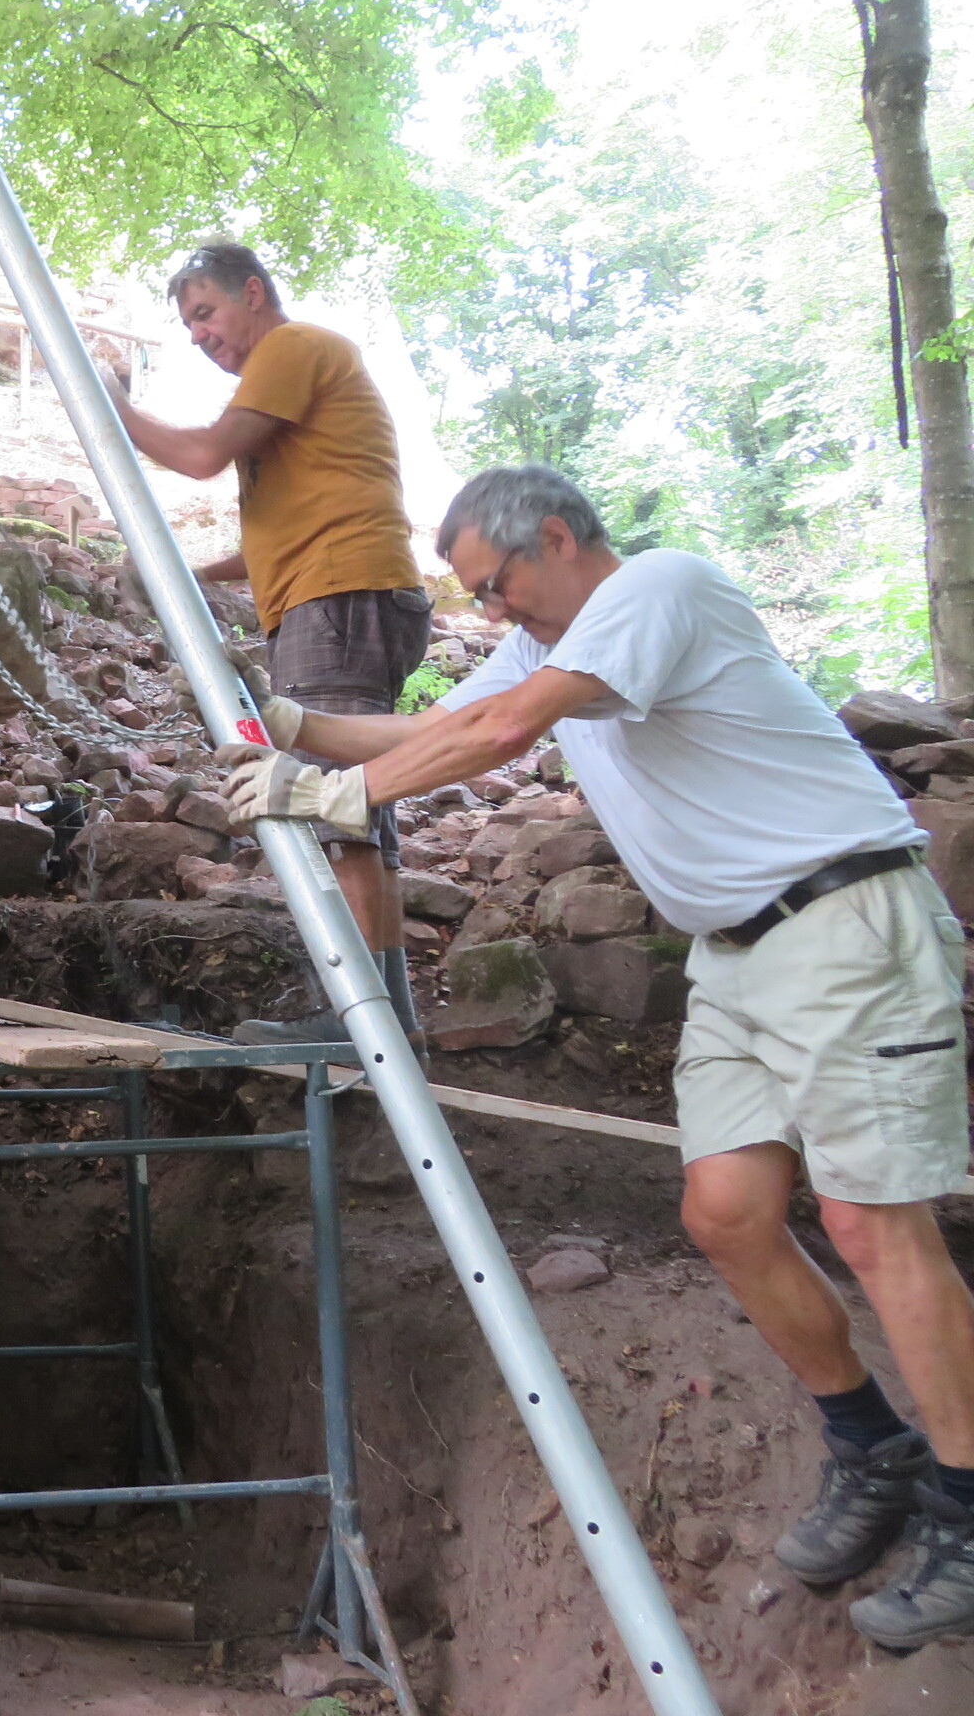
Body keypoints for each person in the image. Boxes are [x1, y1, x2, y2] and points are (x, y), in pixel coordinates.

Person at [222, 463, 974, 1648]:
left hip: (845, 924)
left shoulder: (659, 588)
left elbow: (501, 729)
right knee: (727, 1214)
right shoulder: (548, 644)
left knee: (874, 1223)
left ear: (557, 537)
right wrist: (291, 724)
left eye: (494, 585)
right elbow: (435, 728)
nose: (488, 611)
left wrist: (330, 796)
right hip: (735, 955)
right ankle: (872, 1448)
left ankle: (970, 1505)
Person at [106, 241, 428, 1041]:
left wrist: (114, 407)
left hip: (337, 597)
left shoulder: (291, 347)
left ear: (253, 292)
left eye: (206, 313)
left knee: (334, 813)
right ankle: (391, 1022)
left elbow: (201, 456)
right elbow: (277, 537)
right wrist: (189, 574)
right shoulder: (296, 387)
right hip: (347, 593)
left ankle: (357, 1024)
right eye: (188, 325)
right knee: (360, 815)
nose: (199, 335)